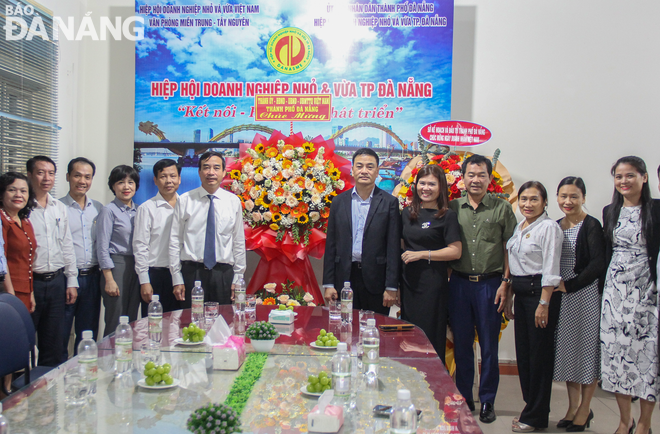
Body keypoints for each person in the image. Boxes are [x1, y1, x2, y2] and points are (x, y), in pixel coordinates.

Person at [447, 154, 517, 422]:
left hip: (491, 285)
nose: (476, 180)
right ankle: (464, 398)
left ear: (490, 178)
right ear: (462, 178)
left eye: (481, 175)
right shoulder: (453, 207)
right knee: (463, 346)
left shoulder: (502, 208)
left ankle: (488, 401)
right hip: (460, 286)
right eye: (471, 175)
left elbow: (510, 249)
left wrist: (506, 284)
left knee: (489, 347)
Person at [601, 156, 660, 434]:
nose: (624, 181)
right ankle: (625, 421)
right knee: (615, 357)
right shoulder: (609, 211)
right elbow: (607, 253)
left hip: (647, 292)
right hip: (614, 294)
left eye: (630, 175)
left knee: (647, 357)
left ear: (644, 178)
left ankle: (645, 424)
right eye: (619, 176)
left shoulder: (656, 210)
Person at [506, 181, 563, 432]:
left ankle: (536, 415)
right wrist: (509, 294)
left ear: (545, 202)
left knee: (539, 358)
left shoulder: (549, 227)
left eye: (534, 199)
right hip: (521, 295)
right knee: (526, 356)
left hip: (539, 296)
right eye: (523, 199)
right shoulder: (521, 226)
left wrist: (544, 303)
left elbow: (551, 268)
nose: (527, 204)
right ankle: (532, 408)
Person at [552, 177, 605, 432]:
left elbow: (597, 264)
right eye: (563, 196)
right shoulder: (554, 225)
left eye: (574, 196)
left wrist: (569, 286)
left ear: (583, 197)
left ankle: (585, 408)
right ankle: (572, 407)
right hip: (561, 298)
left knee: (586, 351)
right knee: (567, 352)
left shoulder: (591, 225)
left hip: (584, 296)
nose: (568, 201)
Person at [322, 148, 401, 315]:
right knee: (344, 327)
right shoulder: (338, 202)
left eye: (370, 166)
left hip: (376, 280)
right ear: (352, 170)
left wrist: (391, 286)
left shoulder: (389, 203)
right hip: (344, 278)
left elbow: (393, 247)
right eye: (359, 166)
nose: (364, 171)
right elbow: (331, 245)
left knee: (374, 330)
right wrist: (328, 284)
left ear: (378, 171)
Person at [400, 164, 461, 363]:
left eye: (431, 184)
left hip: (433, 285)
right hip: (409, 284)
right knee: (408, 336)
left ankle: (433, 385)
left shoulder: (447, 215)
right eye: (422, 183)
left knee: (429, 336)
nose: (426, 188)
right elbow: (401, 245)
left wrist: (422, 254)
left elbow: (455, 250)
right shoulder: (407, 213)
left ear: (441, 187)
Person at [169, 151, 246, 306]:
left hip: (223, 274)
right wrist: (176, 277)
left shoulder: (233, 201)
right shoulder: (185, 200)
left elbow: (238, 241)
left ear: (224, 172)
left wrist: (238, 277)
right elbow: (175, 240)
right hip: (192, 272)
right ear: (199, 172)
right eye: (206, 167)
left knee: (223, 324)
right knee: (191, 325)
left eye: (216, 168)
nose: (211, 172)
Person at [27, 156, 78, 367]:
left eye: (50, 173)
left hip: (57, 282)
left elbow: (67, 244)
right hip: (31, 284)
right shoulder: (23, 209)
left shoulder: (59, 207)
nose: (46, 178)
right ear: (29, 175)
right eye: (40, 172)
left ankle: (48, 393)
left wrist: (72, 280)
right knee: (26, 341)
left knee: (54, 342)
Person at [60, 157, 104, 359]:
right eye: (77, 175)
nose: (82, 181)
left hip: (93, 278)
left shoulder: (98, 208)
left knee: (88, 334)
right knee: (60, 333)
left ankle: (85, 376)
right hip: (65, 279)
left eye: (87, 177)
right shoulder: (58, 208)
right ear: (68, 176)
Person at [97, 165, 140, 336]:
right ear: (113, 186)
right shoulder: (108, 211)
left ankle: (127, 357)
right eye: (121, 182)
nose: (126, 187)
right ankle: (109, 358)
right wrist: (109, 278)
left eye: (131, 182)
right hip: (116, 266)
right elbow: (102, 246)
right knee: (115, 317)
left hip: (135, 266)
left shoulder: (139, 210)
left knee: (131, 317)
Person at [133, 159, 180, 314]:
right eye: (163, 176)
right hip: (156, 275)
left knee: (181, 324)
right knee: (154, 326)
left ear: (179, 179)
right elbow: (140, 246)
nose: (169, 181)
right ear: (155, 180)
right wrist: (144, 281)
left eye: (173, 176)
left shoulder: (187, 205)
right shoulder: (146, 209)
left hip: (182, 274)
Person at [0, 172, 35, 312]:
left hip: (25, 290)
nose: (18, 195)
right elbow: (2, 259)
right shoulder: (2, 220)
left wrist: (30, 292)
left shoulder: (25, 221)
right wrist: (10, 294)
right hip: (8, 292)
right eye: (12, 190)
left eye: (23, 191)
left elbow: (28, 259)